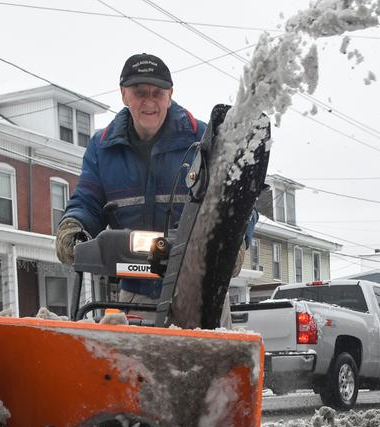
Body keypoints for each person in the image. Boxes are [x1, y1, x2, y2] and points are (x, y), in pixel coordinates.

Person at [55, 54, 249, 308]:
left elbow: (238, 200)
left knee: (207, 348)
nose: (149, 101)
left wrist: (234, 240)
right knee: (127, 348)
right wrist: (74, 227)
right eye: (139, 92)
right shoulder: (103, 148)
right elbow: (88, 202)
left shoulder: (205, 140)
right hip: (135, 293)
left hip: (200, 292)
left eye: (157, 92)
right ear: (124, 94)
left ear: (170, 95)